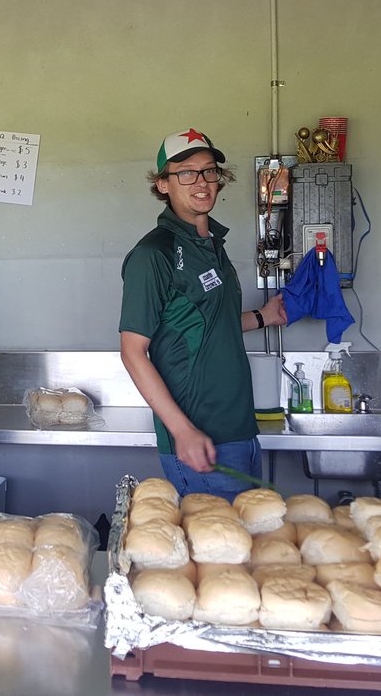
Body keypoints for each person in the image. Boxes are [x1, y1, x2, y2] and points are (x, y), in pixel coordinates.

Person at [119, 127, 287, 499]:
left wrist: (264, 317)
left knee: (250, 534)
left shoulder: (212, 245)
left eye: (209, 170)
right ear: (163, 184)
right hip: (200, 437)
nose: (201, 181)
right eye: (186, 173)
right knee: (221, 537)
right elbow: (132, 352)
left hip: (240, 429)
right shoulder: (153, 255)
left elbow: (208, 323)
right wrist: (182, 431)